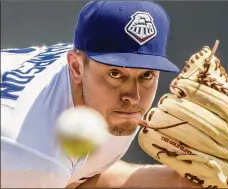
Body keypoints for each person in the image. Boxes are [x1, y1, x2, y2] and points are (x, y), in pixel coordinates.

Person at [1, 1, 203, 188]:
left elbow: (77, 174)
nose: (133, 97)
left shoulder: (96, 91)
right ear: (76, 67)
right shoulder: (34, 157)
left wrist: (179, 181)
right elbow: (51, 172)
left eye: (147, 75)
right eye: (116, 74)